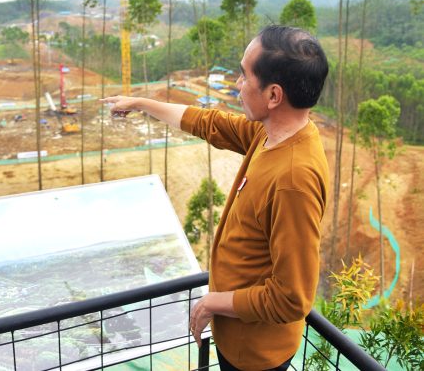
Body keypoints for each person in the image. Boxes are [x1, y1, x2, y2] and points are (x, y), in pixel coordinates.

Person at [102, 25, 329, 370]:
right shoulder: (271, 134)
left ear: (273, 96)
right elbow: (209, 123)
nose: (237, 84)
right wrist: (141, 103)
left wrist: (214, 302)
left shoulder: (293, 181)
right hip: (237, 337)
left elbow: (291, 298)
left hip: (254, 354)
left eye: (244, 75)